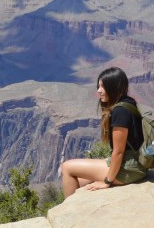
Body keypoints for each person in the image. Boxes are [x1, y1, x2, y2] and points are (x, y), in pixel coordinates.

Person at [61, 67, 148, 196]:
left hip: (129, 168)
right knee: (78, 180)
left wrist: (107, 181)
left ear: (113, 87)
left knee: (67, 167)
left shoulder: (120, 112)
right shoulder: (128, 102)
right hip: (135, 163)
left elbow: (118, 152)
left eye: (102, 87)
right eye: (99, 86)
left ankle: (67, 215)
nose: (98, 91)